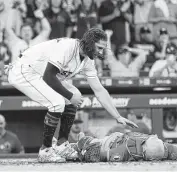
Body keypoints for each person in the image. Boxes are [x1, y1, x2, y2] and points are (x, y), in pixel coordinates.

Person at [6, 28, 137, 163]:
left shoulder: (87, 59)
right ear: (89, 43)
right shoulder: (67, 47)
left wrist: (117, 116)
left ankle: (62, 144)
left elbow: (99, 90)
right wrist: (69, 96)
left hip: (39, 72)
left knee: (75, 94)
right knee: (57, 102)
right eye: (99, 47)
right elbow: (49, 76)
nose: (101, 52)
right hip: (25, 71)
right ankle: (45, 150)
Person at [74, 126, 177, 162]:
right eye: (155, 138)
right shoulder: (164, 149)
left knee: (83, 144)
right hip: (115, 138)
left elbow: (92, 155)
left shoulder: (123, 151)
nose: (155, 136)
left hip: (105, 142)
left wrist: (83, 146)